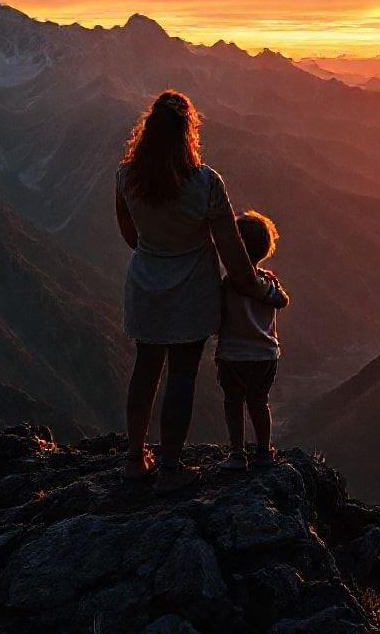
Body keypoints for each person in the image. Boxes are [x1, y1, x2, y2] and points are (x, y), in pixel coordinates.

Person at [115, 90, 260, 490]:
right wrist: (257, 288)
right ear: (188, 134)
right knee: (181, 376)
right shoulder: (206, 184)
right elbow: (231, 250)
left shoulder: (126, 177)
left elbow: (131, 235)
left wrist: (157, 249)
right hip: (192, 291)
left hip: (145, 284)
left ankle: (134, 459)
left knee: (145, 369)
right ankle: (171, 468)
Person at [215, 210, 290, 471]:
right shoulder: (265, 285)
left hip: (232, 355)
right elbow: (283, 301)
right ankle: (264, 452)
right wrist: (276, 285)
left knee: (233, 402)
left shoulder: (226, 285)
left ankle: (237, 454)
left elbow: (215, 317)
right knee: (259, 402)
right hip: (265, 354)